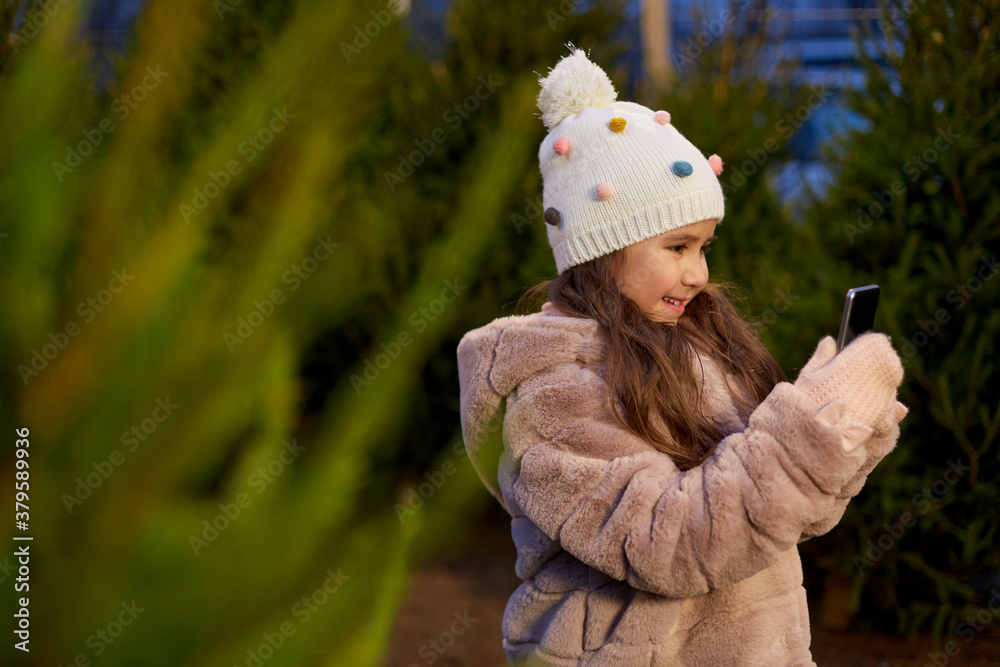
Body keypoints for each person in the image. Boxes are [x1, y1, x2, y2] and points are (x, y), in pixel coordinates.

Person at [456, 49, 908, 666]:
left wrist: (846, 424)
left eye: (704, 247)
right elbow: (672, 544)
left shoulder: (698, 346)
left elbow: (784, 519)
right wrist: (814, 421)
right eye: (677, 245)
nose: (698, 273)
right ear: (599, 247)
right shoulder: (553, 393)